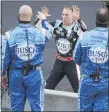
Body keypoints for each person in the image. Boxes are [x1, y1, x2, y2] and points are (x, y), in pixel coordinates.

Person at [1, 5, 52, 111]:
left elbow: (6, 59)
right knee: (37, 107)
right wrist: (43, 19)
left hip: (16, 75)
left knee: (16, 108)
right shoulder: (40, 33)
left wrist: (3, 74)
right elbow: (50, 33)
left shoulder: (10, 35)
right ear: (31, 16)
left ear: (18, 15)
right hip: (34, 74)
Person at [35, 6, 87, 93]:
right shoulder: (57, 24)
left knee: (80, 91)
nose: (64, 17)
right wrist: (40, 18)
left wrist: (79, 20)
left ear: (72, 16)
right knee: (47, 88)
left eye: (66, 15)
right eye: (63, 14)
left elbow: (85, 33)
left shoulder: (77, 27)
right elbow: (38, 27)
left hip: (72, 64)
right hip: (59, 62)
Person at [73, 8, 108, 111]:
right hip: (105, 82)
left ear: (95, 20)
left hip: (87, 81)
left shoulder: (84, 36)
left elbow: (76, 59)